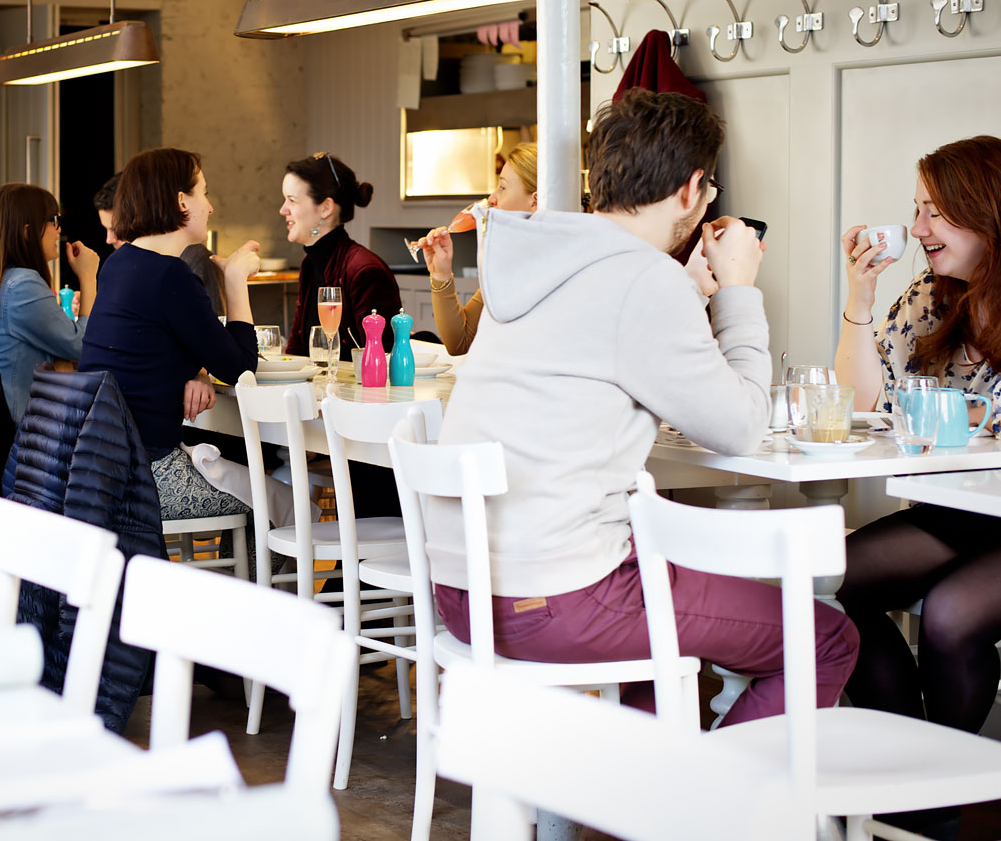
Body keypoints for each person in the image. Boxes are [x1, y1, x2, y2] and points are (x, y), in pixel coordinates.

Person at [434, 88, 857, 725]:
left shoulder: (536, 259)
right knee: (825, 639)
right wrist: (737, 291)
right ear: (691, 190)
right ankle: (701, 812)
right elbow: (740, 428)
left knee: (666, 662)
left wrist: (681, 294)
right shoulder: (642, 278)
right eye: (710, 189)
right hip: (557, 595)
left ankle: (639, 806)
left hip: (467, 590)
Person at [833, 135, 1001, 839]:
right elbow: (860, 403)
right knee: (834, 585)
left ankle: (933, 798)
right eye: (917, 212)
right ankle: (913, 786)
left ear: (986, 215)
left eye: (936, 214)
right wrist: (861, 296)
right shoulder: (928, 299)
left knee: (952, 616)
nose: (919, 231)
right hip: (954, 514)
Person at [79, 148, 260, 529]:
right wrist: (236, 281)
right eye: (204, 193)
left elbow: (154, 348)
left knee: (259, 495)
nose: (209, 207)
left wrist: (197, 370)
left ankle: (227, 585)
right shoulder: (170, 276)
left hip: (98, 471)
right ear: (181, 201)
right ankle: (240, 589)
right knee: (283, 509)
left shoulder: (118, 264)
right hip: (147, 476)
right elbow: (240, 368)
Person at [0, 183, 99, 423]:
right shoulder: (22, 285)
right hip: (18, 440)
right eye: (53, 220)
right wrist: (88, 277)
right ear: (27, 231)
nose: (59, 230)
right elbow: (83, 346)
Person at [415, 142, 537, 354]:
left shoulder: (555, 268)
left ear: (534, 201)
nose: (492, 198)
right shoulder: (507, 265)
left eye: (503, 187)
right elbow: (460, 342)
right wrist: (441, 274)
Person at [280, 152, 400, 355]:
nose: (283, 210)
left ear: (326, 207)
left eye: (292, 200)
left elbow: (380, 360)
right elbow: (297, 349)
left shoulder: (364, 270)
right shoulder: (310, 264)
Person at [97, 171, 224, 315]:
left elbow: (214, 326)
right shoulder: (120, 265)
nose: (109, 239)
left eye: (116, 229)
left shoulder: (193, 259)